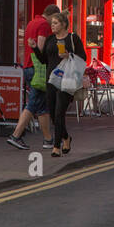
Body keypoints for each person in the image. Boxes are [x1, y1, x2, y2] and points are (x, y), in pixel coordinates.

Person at [8, 4, 58, 151]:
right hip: (38, 69)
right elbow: (41, 47)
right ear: (52, 15)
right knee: (33, 104)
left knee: (41, 106)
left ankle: (48, 140)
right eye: (55, 20)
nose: (54, 23)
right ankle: (16, 136)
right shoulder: (43, 24)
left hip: (29, 66)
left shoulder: (32, 22)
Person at [42, 11, 85, 158]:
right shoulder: (50, 39)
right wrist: (34, 47)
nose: (52, 26)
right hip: (51, 80)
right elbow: (43, 59)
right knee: (54, 115)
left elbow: (83, 57)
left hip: (67, 80)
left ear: (63, 24)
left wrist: (69, 55)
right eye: (51, 23)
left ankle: (56, 146)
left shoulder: (73, 38)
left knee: (60, 112)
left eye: (55, 23)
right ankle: (66, 138)